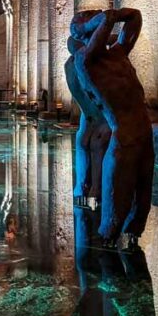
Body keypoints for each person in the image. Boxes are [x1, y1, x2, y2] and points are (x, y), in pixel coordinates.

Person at [71, 8, 153, 248]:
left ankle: (134, 254)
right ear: (88, 32)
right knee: (114, 213)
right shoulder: (84, 62)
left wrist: (113, 15)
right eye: (93, 22)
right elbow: (106, 21)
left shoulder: (118, 53)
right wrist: (103, 19)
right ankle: (108, 268)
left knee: (142, 204)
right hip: (124, 138)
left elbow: (136, 16)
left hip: (145, 133)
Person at [65, 29, 111, 208]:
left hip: (86, 125)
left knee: (83, 179)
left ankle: (83, 197)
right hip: (101, 124)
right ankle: (96, 200)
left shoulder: (69, 65)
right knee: (98, 184)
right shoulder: (88, 64)